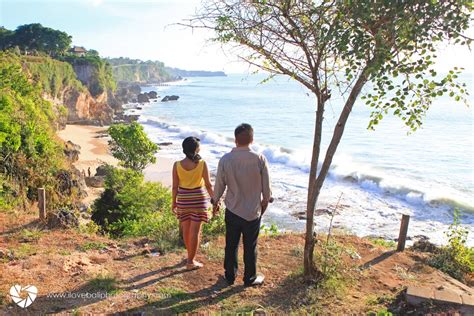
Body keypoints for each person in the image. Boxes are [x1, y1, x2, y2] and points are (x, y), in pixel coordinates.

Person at [212, 123, 272, 286]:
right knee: (250, 246)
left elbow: (219, 185)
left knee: (231, 244)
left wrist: (215, 201)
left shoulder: (226, 159)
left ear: (235, 139)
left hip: (233, 209)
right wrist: (265, 202)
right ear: (252, 139)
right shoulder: (259, 159)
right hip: (252, 211)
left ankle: (230, 276)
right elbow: (266, 188)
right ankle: (250, 278)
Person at [172, 136, 214, 270]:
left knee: (186, 229)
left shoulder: (177, 165)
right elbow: (208, 184)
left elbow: (174, 186)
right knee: (195, 231)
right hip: (198, 199)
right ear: (196, 149)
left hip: (184, 198)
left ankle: (189, 257)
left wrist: (174, 202)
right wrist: (214, 199)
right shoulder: (202, 163)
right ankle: (190, 261)